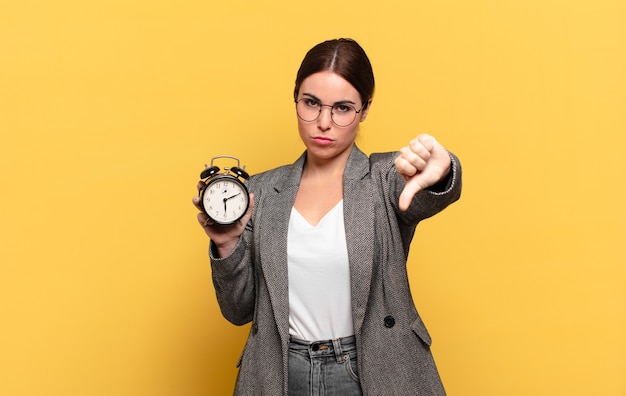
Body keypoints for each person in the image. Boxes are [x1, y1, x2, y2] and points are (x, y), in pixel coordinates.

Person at [192, 38, 462, 395]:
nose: (323, 122)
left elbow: (432, 192)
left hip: (370, 369)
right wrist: (227, 245)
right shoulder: (261, 191)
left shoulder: (386, 177)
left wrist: (443, 171)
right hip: (284, 372)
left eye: (342, 108)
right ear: (296, 100)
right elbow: (239, 311)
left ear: (364, 109)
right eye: (311, 103)